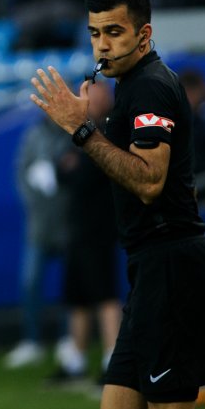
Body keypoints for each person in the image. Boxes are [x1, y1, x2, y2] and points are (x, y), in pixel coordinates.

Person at [31, 0, 205, 409]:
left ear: (144, 34)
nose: (102, 44)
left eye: (114, 31)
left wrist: (82, 129)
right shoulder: (131, 89)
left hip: (173, 265)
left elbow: (151, 180)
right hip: (154, 264)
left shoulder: (152, 86)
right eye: (95, 33)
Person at [51, 79, 122, 382]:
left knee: (105, 294)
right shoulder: (81, 131)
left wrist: (75, 168)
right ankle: (76, 359)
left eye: (95, 93)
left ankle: (112, 359)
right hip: (78, 227)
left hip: (100, 226)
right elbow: (63, 171)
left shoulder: (112, 128)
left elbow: (84, 174)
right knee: (77, 296)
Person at [5, 112, 71, 369]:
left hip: (68, 223)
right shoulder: (33, 135)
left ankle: (69, 339)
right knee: (30, 282)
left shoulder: (73, 133)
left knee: (71, 284)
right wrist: (35, 199)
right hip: (39, 225)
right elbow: (21, 173)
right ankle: (32, 341)